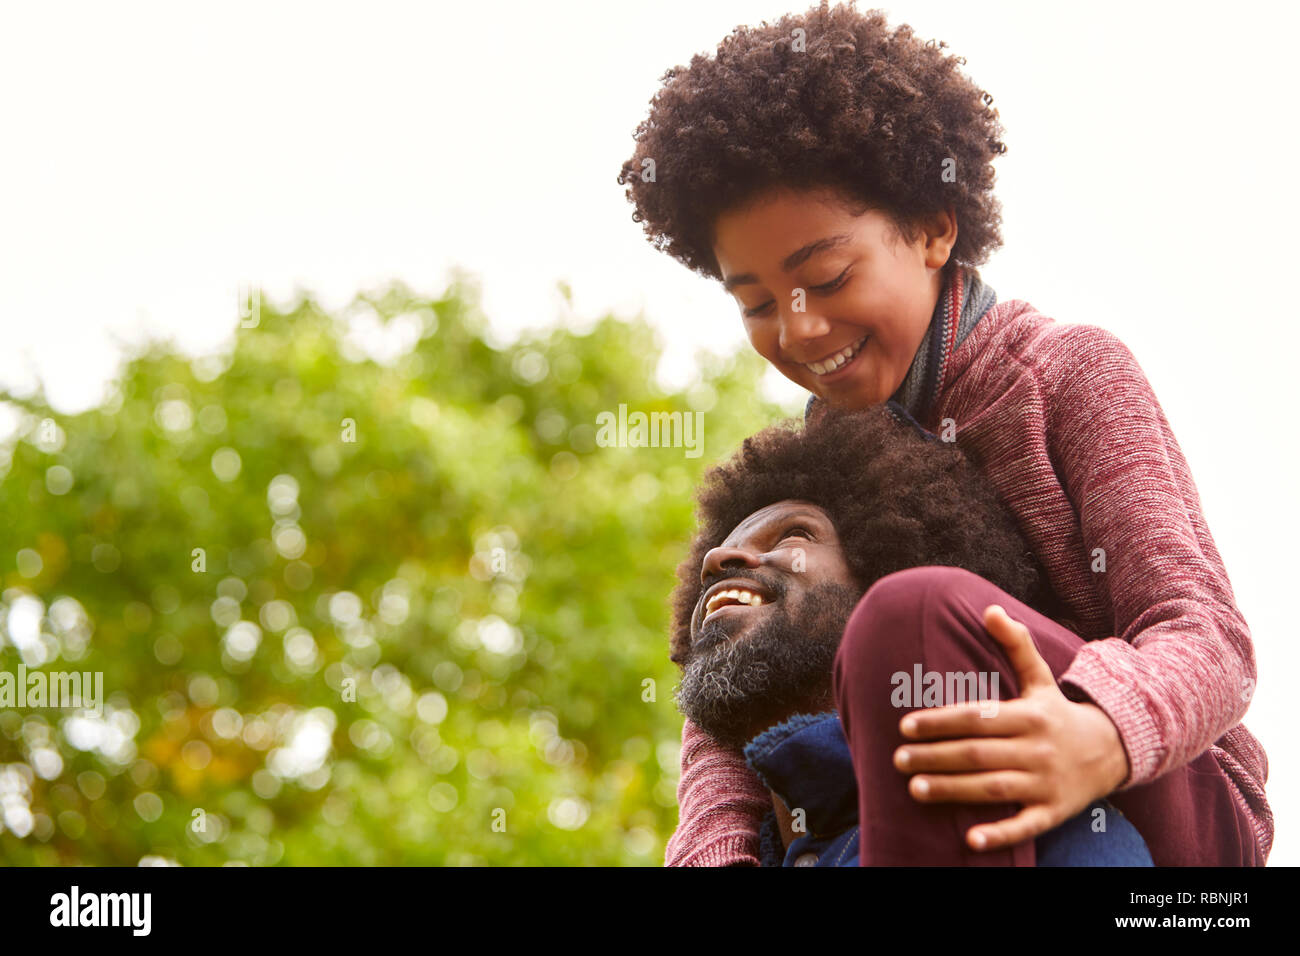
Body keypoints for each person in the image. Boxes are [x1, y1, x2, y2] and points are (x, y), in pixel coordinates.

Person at [620, 1, 1270, 865]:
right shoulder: (818, 462)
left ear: (933, 229)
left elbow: (1205, 635)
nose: (802, 329)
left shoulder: (1062, 375)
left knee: (914, 615)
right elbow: (728, 707)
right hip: (915, 810)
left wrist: (1098, 733)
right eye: (759, 305)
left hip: (1158, 798)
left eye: (827, 276)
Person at [672, 403, 1152, 865]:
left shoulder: (1037, 817)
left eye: (793, 536)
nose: (717, 561)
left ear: (888, 575)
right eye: (714, 556)